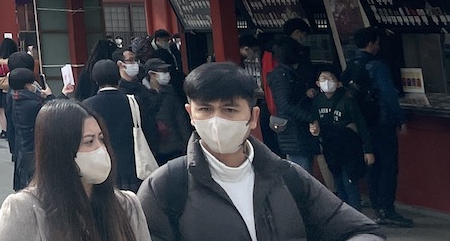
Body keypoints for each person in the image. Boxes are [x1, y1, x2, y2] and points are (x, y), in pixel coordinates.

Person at [137, 61, 381, 241]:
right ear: (191, 114)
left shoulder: (289, 178)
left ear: (253, 117)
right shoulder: (166, 186)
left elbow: (360, 230)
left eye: (230, 110)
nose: (216, 120)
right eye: (206, 110)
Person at [0, 98, 147, 241]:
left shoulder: (126, 204)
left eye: (101, 138)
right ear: (61, 151)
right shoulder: (23, 209)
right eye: (89, 141)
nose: (100, 149)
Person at [346, 27, 410, 228]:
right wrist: (400, 119)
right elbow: (389, 96)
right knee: (388, 167)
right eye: (377, 42)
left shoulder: (350, 65)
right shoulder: (377, 66)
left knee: (372, 167)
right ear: (372, 43)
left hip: (361, 125)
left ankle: (377, 209)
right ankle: (387, 210)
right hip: (381, 123)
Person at [82, 59, 156, 192]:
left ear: (95, 79)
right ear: (118, 77)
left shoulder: (87, 106)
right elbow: (151, 131)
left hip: (104, 166)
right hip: (133, 166)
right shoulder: (133, 101)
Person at [312, 66, 372, 211]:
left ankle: (355, 213)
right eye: (323, 79)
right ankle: (344, 214)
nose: (327, 82)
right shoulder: (317, 101)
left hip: (349, 147)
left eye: (331, 79)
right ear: (317, 83)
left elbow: (361, 125)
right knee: (338, 180)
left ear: (338, 83)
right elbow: (315, 122)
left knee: (349, 180)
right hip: (330, 147)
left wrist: (368, 150)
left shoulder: (347, 100)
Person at [265, 36, 319, 175]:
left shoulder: (288, 73)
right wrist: (310, 117)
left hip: (297, 128)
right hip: (293, 130)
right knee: (302, 174)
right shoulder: (281, 75)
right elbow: (284, 104)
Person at [142, 58, 188, 164]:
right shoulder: (142, 93)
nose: (167, 74)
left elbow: (180, 117)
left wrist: (186, 142)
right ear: (152, 74)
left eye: (167, 71)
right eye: (162, 71)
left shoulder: (170, 90)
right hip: (155, 149)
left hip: (175, 145)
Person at [6, 68, 44, 191]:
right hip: (32, 150)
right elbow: (52, 113)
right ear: (27, 85)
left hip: (22, 149)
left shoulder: (16, 99)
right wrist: (49, 96)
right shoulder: (33, 104)